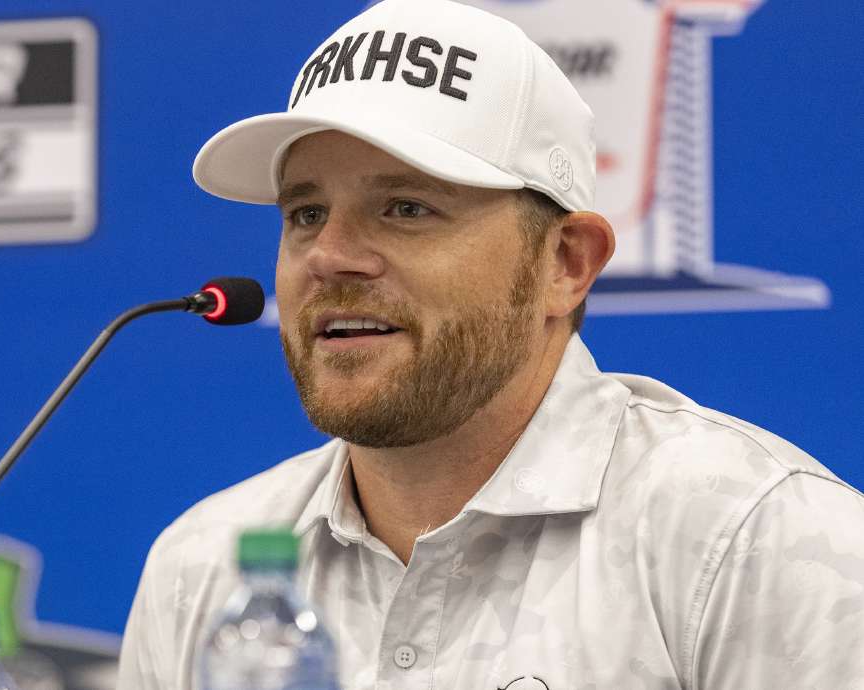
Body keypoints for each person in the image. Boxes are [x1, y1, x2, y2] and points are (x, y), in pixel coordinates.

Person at [117, 1, 864, 688]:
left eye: (406, 207)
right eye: (305, 213)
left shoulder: (759, 544)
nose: (329, 255)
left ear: (566, 264)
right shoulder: (202, 566)